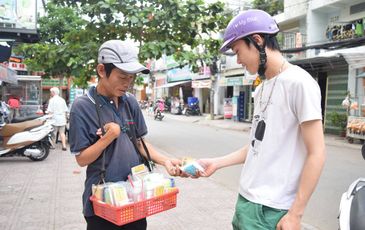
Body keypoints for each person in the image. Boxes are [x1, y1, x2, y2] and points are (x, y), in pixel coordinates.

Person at [196, 9, 326, 230]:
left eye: (238, 51)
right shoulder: (262, 88)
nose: (238, 60)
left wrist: (295, 214)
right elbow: (258, 146)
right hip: (246, 201)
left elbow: (317, 153)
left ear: (257, 41)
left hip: (271, 210)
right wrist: (216, 163)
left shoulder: (299, 83)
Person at [69, 40, 182, 230]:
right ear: (102, 70)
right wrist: (108, 137)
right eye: (122, 77)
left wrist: (165, 161)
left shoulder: (130, 102)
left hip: (135, 197)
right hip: (103, 202)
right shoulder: (82, 107)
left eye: (131, 78)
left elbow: (139, 143)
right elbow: (82, 159)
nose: (127, 84)